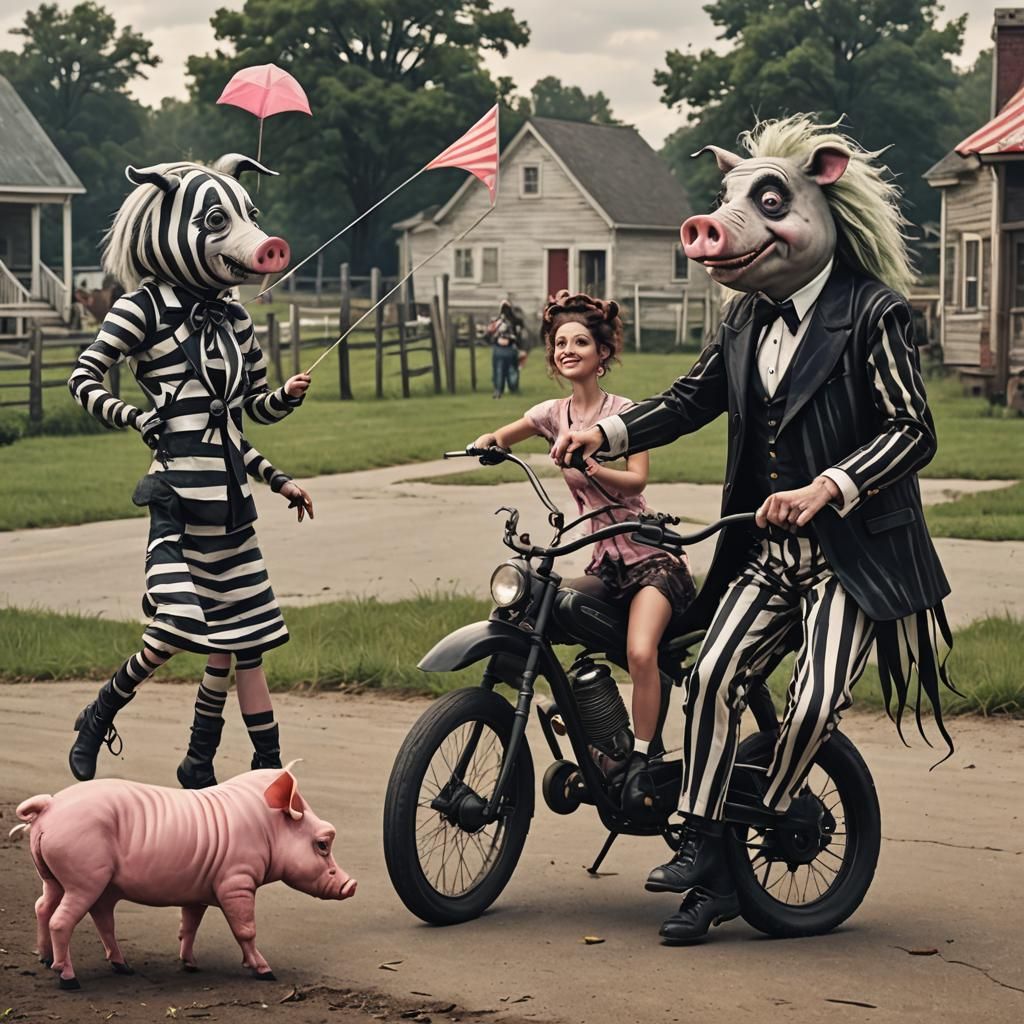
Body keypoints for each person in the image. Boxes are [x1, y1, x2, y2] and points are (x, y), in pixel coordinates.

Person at [555, 115, 957, 944]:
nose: (729, 223)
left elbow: (913, 430)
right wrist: (610, 434)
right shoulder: (743, 320)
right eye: (729, 200)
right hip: (768, 558)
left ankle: (734, 837)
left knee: (813, 702)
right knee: (708, 681)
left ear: (823, 189)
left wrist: (830, 485)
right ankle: (707, 857)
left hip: (853, 557)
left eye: (766, 201)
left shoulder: (871, 312)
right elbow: (688, 401)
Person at [66, 153, 314, 789]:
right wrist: (133, 415)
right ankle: (100, 712)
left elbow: (244, 415)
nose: (252, 240)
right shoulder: (141, 308)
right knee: (178, 625)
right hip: (177, 500)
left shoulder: (234, 317)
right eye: (215, 220)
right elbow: (83, 376)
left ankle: (261, 775)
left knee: (247, 640)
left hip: (232, 503)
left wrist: (282, 406)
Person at [472, 290, 696, 814]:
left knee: (641, 653)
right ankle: (575, 716)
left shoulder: (627, 415)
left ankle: (641, 758)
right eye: (560, 344)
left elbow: (636, 478)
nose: (568, 350)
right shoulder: (554, 413)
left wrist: (594, 465)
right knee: (536, 612)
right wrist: (487, 443)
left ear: (602, 353)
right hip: (604, 563)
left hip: (651, 562)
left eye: (580, 342)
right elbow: (505, 434)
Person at [487, 299, 525, 398]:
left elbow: (489, 333)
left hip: (498, 349)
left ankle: (498, 389)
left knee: (498, 370)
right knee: (512, 370)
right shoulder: (516, 321)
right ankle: (513, 388)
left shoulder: (497, 321)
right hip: (511, 348)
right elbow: (520, 333)